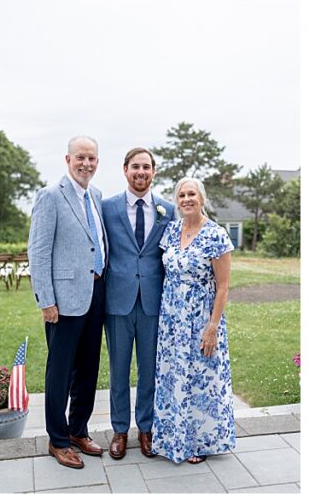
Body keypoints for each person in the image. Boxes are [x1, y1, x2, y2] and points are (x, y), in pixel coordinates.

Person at [27, 135, 107, 469]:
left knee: (88, 368)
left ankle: (78, 431)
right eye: (80, 158)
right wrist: (46, 300)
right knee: (60, 371)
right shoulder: (50, 196)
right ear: (68, 159)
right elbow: (38, 250)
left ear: (97, 163)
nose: (86, 164)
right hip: (62, 299)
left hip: (96, 292)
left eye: (91, 158)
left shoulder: (96, 196)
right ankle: (58, 440)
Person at [151, 177, 235, 464]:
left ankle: (199, 443)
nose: (187, 199)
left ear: (201, 199)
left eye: (192, 194)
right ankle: (172, 437)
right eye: (182, 194)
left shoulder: (216, 234)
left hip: (201, 320)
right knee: (174, 376)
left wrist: (212, 327)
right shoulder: (172, 231)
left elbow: (223, 286)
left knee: (200, 380)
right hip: (172, 320)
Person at [101, 148, 175, 460]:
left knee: (149, 369)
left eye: (146, 166)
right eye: (135, 166)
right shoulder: (106, 207)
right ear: (125, 169)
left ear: (154, 171)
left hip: (153, 303)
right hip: (117, 300)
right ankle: (120, 429)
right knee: (118, 370)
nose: (140, 172)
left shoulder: (167, 209)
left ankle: (146, 428)